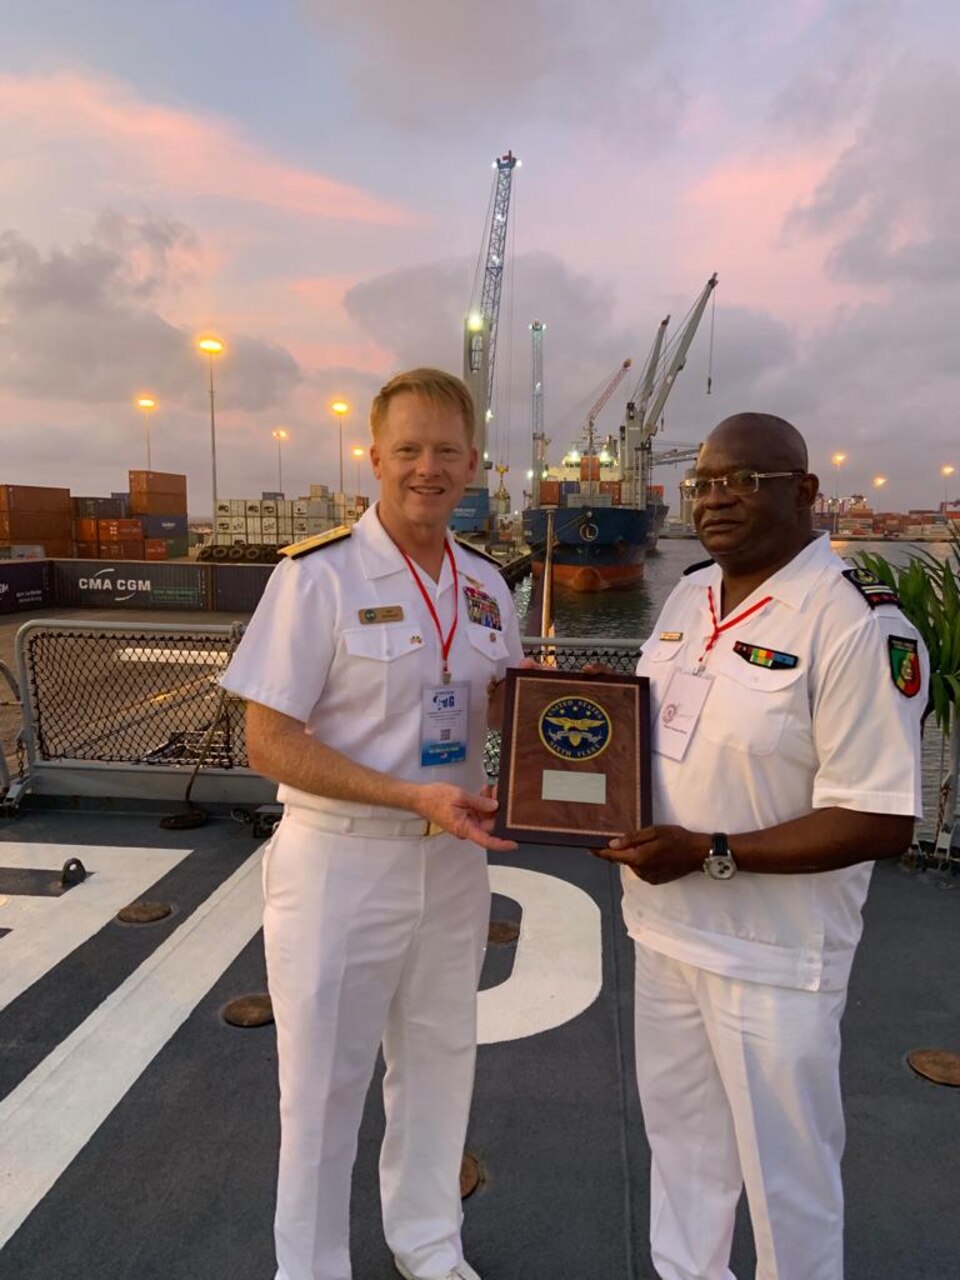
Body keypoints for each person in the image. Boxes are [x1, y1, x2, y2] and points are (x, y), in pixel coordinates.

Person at [592, 413, 926, 1280]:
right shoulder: (687, 595)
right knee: (683, 1152)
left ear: (805, 492)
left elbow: (882, 819)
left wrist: (708, 849)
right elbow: (649, 736)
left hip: (773, 958)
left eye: (741, 481)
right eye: (702, 483)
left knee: (787, 1179)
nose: (714, 500)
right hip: (664, 933)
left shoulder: (855, 623)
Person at [220, 368, 524, 1280]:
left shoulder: (487, 585)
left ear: (473, 462)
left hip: (452, 863)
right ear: (375, 457)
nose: (427, 468)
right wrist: (407, 797)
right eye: (408, 450)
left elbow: (500, 708)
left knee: (440, 1062)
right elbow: (268, 741)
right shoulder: (317, 577)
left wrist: (571, 746)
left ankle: (428, 1244)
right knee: (320, 1088)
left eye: (445, 451)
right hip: (341, 864)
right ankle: (308, 1268)